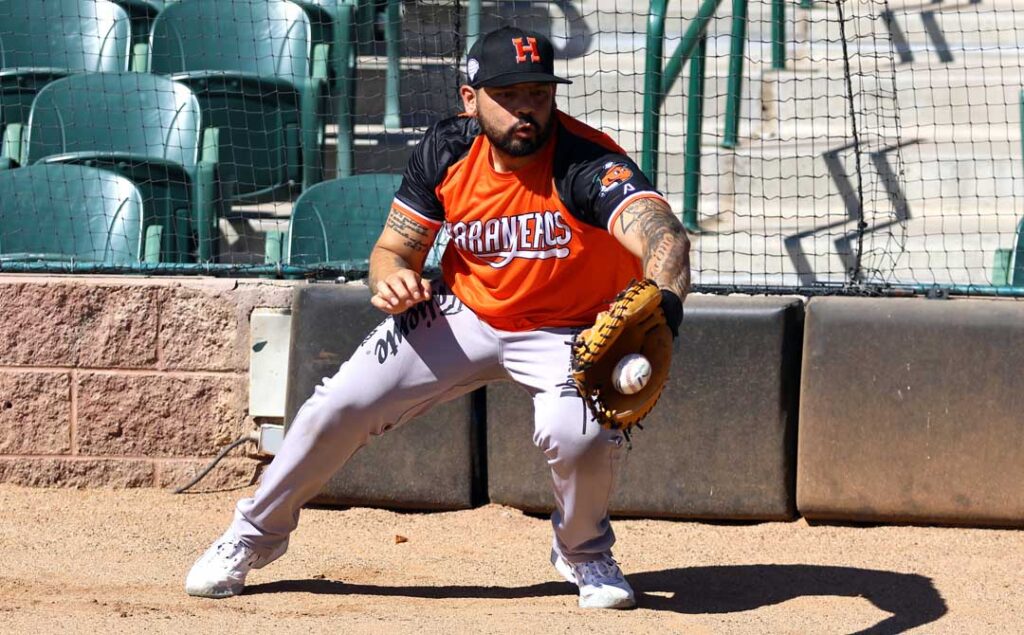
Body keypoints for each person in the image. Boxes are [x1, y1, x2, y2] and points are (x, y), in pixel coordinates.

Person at [185, 25, 690, 610]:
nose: (527, 108)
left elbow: (663, 236)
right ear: (470, 100)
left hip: (570, 330)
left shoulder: (587, 161)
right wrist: (391, 279)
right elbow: (391, 252)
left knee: (576, 434)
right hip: (462, 313)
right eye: (509, 95)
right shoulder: (446, 149)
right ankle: (251, 537)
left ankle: (584, 552)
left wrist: (667, 308)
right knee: (337, 404)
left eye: (539, 93)